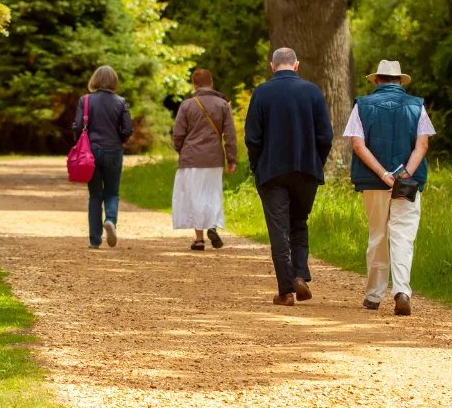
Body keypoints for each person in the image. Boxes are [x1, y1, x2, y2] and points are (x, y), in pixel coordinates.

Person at [244, 47, 334, 306]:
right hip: (306, 170)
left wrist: (256, 167)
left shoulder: (261, 93)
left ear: (273, 66)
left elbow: (253, 138)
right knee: (299, 223)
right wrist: (317, 162)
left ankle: (285, 291)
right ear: (297, 65)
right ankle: (299, 276)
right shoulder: (313, 92)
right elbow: (325, 137)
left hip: (272, 172)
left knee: (278, 230)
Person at [345, 60, 434, 315]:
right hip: (408, 182)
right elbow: (423, 146)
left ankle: (373, 296)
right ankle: (402, 291)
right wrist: (404, 174)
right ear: (401, 82)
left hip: (374, 181)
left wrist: (384, 175)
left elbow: (358, 145)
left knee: (378, 235)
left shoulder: (361, 105)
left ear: (376, 80)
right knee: (403, 235)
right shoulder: (417, 106)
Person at [171, 69, 238, 250]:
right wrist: (231, 158)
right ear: (211, 84)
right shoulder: (223, 105)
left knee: (194, 196)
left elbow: (178, 134)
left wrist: (182, 150)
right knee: (211, 193)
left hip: (191, 157)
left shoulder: (187, 105)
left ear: (195, 84)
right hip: (214, 159)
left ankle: (199, 239)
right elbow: (230, 135)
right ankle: (212, 227)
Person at [72, 65, 133, 249]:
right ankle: (111, 221)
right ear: (114, 82)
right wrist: (119, 139)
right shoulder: (120, 102)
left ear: (94, 80)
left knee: (95, 195)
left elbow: (77, 126)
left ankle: (94, 240)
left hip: (91, 152)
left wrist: (80, 142)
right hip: (113, 150)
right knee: (112, 192)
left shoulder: (86, 100)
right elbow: (128, 129)